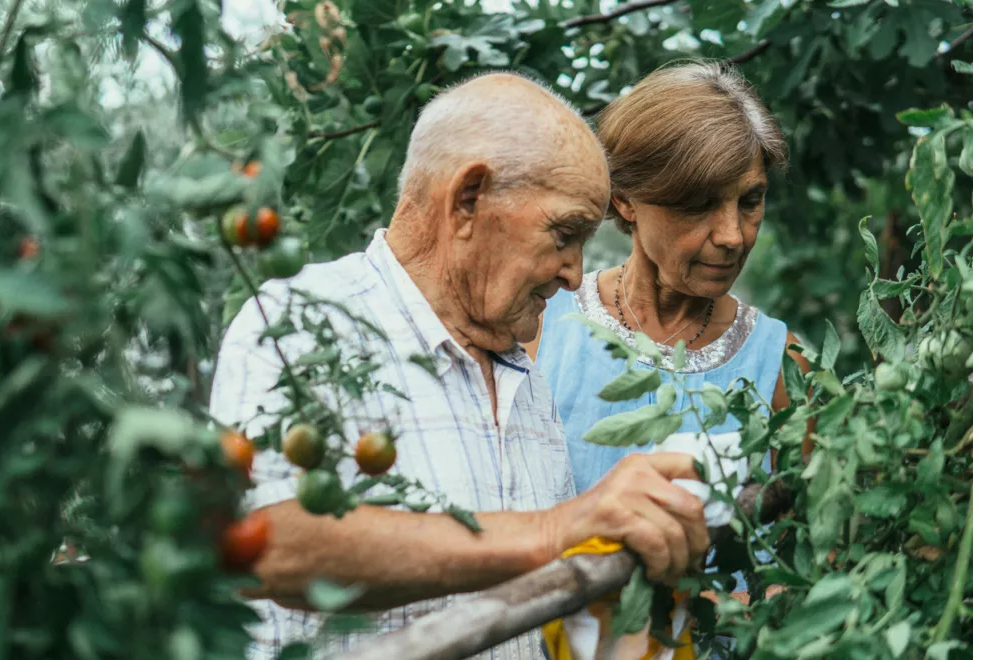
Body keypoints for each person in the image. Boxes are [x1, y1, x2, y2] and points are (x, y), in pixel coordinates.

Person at [209, 72, 711, 659]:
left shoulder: (523, 374)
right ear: (469, 199)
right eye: (565, 232)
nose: (576, 273)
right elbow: (267, 545)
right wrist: (556, 529)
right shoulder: (302, 321)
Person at [525, 61, 812, 658]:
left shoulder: (781, 363)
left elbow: (812, 548)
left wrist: (743, 609)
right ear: (626, 201)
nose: (733, 234)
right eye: (699, 206)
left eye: (750, 200)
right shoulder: (543, 328)